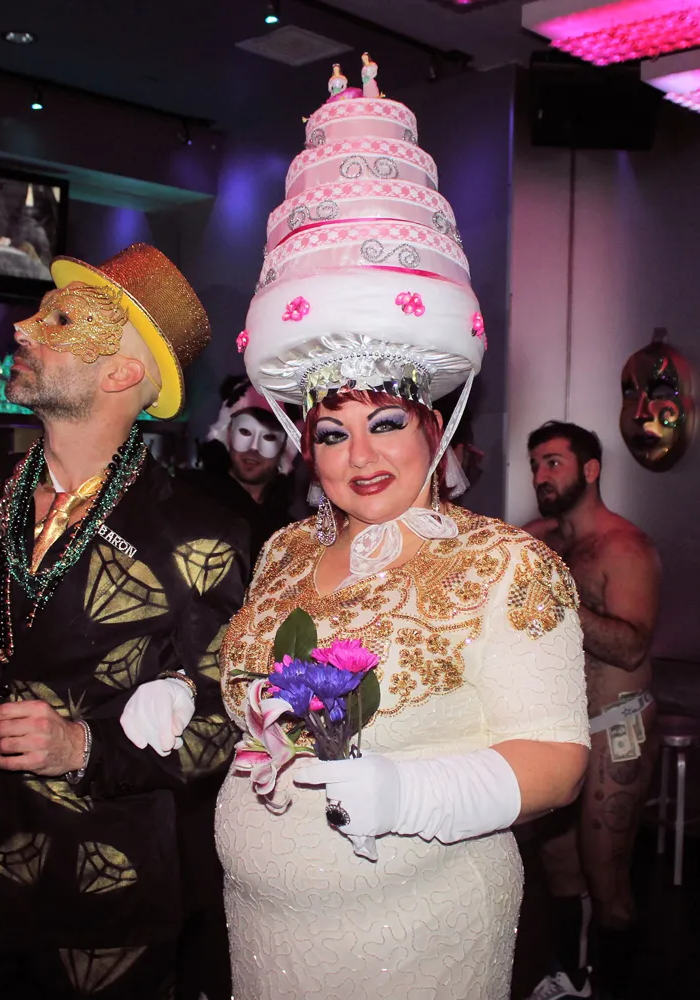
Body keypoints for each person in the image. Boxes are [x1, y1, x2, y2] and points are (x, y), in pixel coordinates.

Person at [209, 78, 590, 1000]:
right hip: (259, 931)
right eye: (331, 433)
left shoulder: (506, 563)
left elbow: (557, 760)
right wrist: (186, 699)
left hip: (418, 935)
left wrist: (417, 796)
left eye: (386, 424)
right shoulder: (285, 551)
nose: (360, 456)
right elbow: (258, 701)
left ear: (433, 428)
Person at [0, 243, 248, 1000]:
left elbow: (227, 716)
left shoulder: (201, 530)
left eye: (62, 320)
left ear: (121, 373)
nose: (23, 328)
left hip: (106, 887)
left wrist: (82, 746)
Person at [522, 421, 660, 1000]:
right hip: (560, 728)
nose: (540, 475)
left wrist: (558, 598)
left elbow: (630, 647)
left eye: (553, 462)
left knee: (608, 880)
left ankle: (617, 986)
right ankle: (571, 979)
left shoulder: (624, 547)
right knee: (559, 869)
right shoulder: (539, 540)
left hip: (615, 726)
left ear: (591, 469)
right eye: (535, 465)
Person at [179, 375, 296, 566]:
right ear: (228, 433)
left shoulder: (288, 530)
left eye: (268, 437)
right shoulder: (191, 493)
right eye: (245, 432)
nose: (253, 448)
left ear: (285, 447)